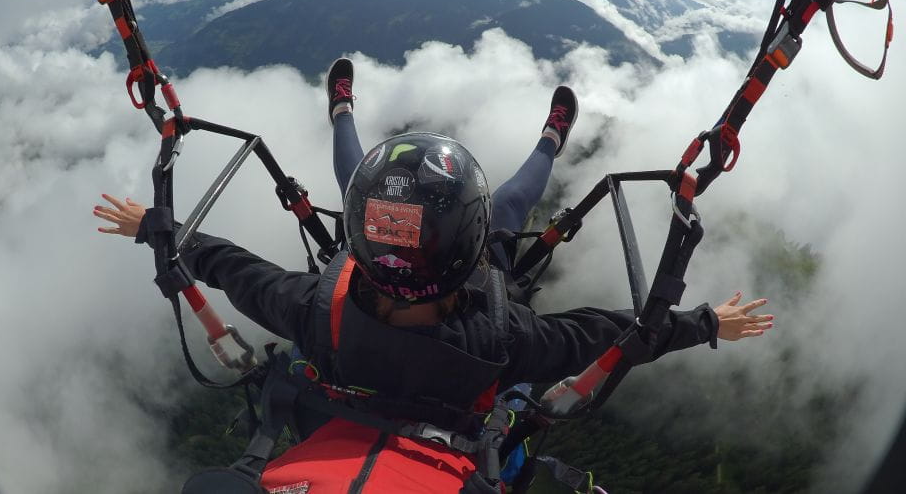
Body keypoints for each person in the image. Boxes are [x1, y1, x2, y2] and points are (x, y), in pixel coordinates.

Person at [94, 59, 774, 493]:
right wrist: (705, 323)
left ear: (361, 245)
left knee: (350, 175)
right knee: (514, 202)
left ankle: (342, 111)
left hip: (344, 364)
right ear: (470, 255)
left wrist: (162, 231)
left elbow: (230, 269)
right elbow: (617, 334)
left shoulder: (312, 309)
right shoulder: (505, 339)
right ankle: (550, 137)